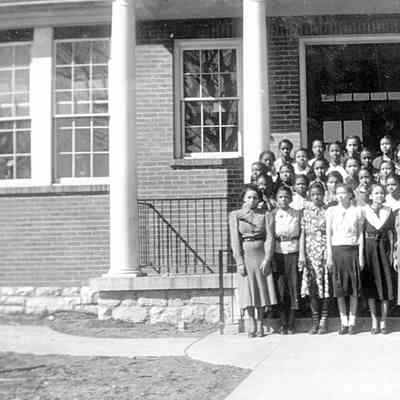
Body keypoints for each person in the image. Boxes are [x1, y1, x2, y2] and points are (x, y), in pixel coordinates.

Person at [229, 184, 277, 337]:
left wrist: (267, 259)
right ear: (243, 199)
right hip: (246, 254)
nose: (252, 200)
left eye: (255, 198)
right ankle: (251, 323)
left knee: (261, 289)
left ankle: (260, 323)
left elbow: (270, 237)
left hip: (260, 254)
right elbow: (235, 240)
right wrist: (239, 262)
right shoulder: (235, 215)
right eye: (249, 197)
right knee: (247, 290)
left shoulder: (266, 215)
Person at [326, 184, 364, 335]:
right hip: (337, 251)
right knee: (339, 288)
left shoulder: (357, 211)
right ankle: (344, 322)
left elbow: (360, 234)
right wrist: (329, 256)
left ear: (350, 194)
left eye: (343, 193)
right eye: (338, 193)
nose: (341, 196)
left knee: (354, 288)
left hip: (352, 250)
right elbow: (329, 235)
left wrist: (360, 256)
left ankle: (352, 322)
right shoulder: (331, 211)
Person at [362, 184, 395, 334]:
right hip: (369, 249)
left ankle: (383, 320)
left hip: (383, 249)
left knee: (385, 285)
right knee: (371, 285)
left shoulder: (389, 211)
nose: (379, 195)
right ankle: (374, 319)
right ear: (370, 195)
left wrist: (392, 254)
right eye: (376, 193)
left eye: (382, 193)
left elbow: (392, 234)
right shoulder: (364, 211)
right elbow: (360, 234)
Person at [299, 182, 330, 334]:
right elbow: (303, 234)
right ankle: (315, 320)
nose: (316, 197)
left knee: (325, 287)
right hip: (310, 251)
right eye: (313, 195)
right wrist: (302, 254)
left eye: (319, 194)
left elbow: (331, 233)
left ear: (323, 195)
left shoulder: (328, 211)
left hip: (324, 250)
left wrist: (329, 252)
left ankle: (324, 320)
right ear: (309, 196)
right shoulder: (305, 212)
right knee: (312, 287)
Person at [272, 185, 302, 334]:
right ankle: (283, 322)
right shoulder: (272, 215)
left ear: (290, 198)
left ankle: (291, 321)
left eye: (286, 197)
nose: (283, 199)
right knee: (281, 288)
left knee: (293, 286)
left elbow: (301, 234)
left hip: (293, 252)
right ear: (276, 199)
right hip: (278, 252)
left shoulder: (297, 214)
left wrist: (301, 255)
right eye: (280, 197)